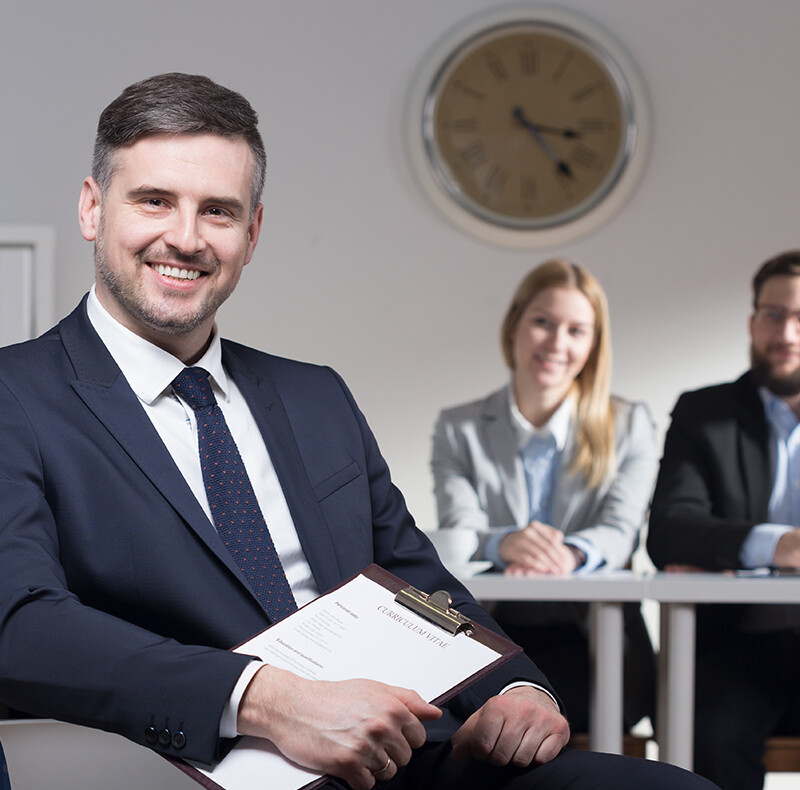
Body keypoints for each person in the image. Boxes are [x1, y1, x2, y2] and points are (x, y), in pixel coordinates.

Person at [0, 73, 714, 790]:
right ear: (93, 209)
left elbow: (418, 581)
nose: (185, 238)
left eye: (217, 211)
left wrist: (512, 687)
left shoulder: (316, 396)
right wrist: (264, 700)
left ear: (251, 235)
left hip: (407, 758)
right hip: (187, 769)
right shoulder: (16, 396)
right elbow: (20, 624)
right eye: (154, 201)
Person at [431, 260, 658, 735]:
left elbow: (620, 533)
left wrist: (569, 554)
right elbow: (458, 534)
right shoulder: (460, 428)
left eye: (577, 330)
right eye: (543, 322)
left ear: (593, 345)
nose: (557, 343)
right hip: (490, 631)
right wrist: (503, 543)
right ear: (514, 324)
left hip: (596, 642)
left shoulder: (631, 424)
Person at [648, 250, 800, 790]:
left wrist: (722, 547)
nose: (787, 332)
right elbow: (669, 530)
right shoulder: (702, 413)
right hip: (737, 646)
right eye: (775, 314)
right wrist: (778, 545)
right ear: (752, 321)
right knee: (709, 729)